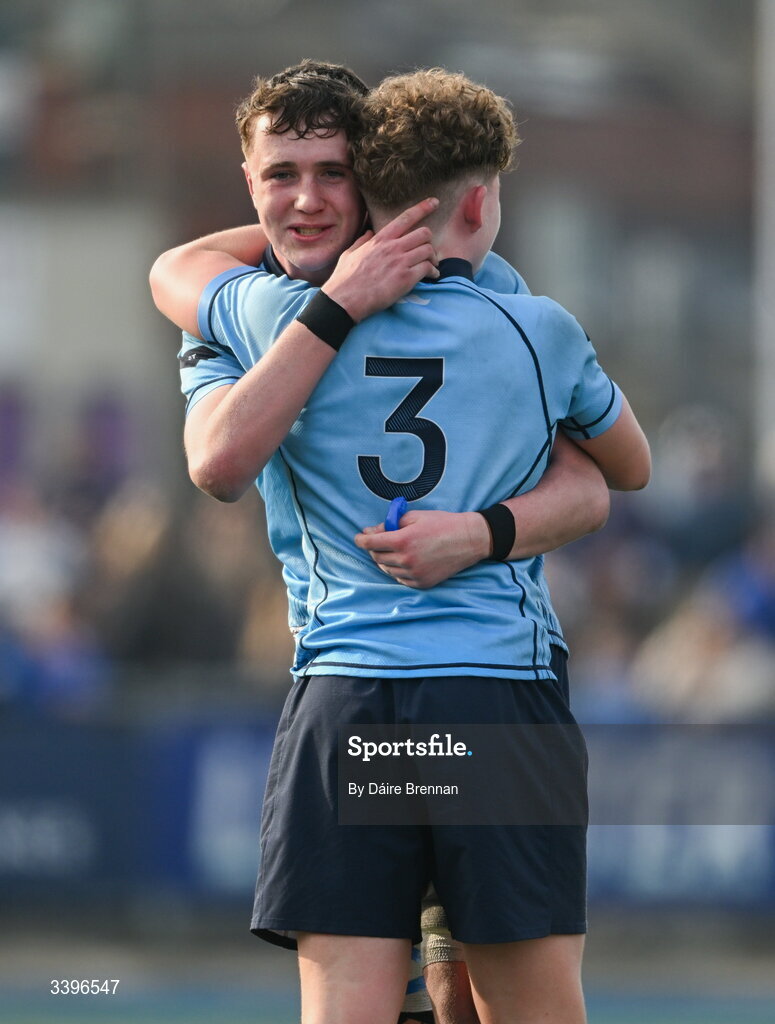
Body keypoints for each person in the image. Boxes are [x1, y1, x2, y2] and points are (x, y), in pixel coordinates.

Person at [151, 60, 612, 1024]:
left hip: (409, 694)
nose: (308, 200)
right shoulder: (248, 317)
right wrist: (340, 295)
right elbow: (219, 462)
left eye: (333, 174)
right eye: (281, 176)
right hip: (405, 696)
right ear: (248, 182)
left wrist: (479, 534)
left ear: (378, 181)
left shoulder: (482, 293)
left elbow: (585, 484)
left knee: (449, 992)